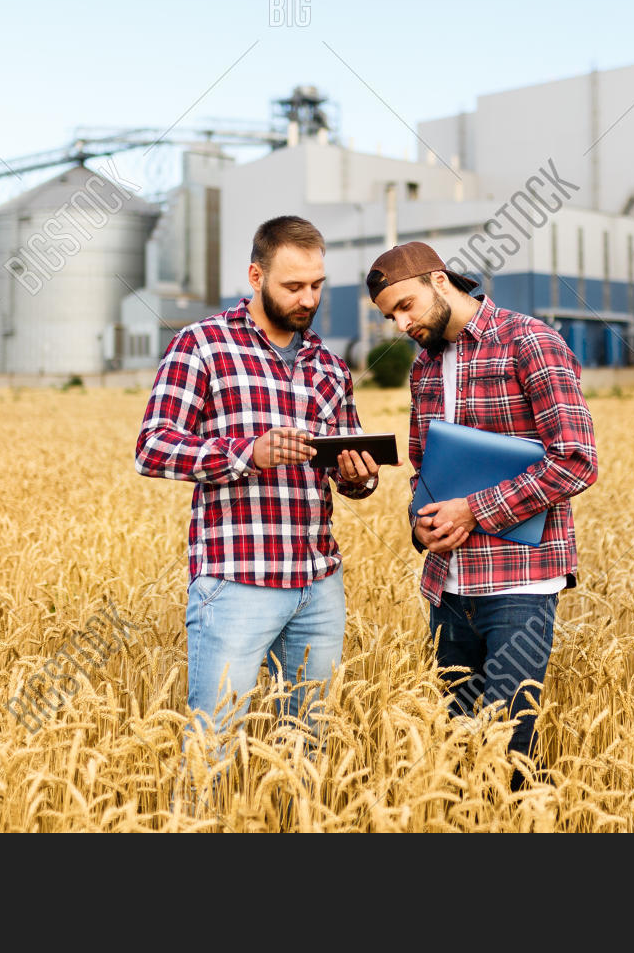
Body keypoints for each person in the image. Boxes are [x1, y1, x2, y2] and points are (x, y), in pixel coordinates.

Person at [136, 216, 381, 741]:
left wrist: (358, 476)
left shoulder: (330, 366)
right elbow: (153, 447)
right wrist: (249, 454)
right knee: (214, 744)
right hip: (236, 580)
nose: (308, 299)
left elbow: (347, 469)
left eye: (316, 285)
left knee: (307, 746)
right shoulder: (201, 345)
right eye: (293, 286)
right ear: (256, 276)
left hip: (318, 583)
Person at [366, 241, 598, 790]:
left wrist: (473, 510)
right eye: (390, 316)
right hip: (448, 587)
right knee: (459, 749)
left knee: (506, 748)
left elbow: (575, 460)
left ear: (439, 281)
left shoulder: (529, 341)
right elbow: (422, 468)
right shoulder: (424, 368)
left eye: (405, 306)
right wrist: (420, 523)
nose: (401, 324)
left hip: (519, 585)